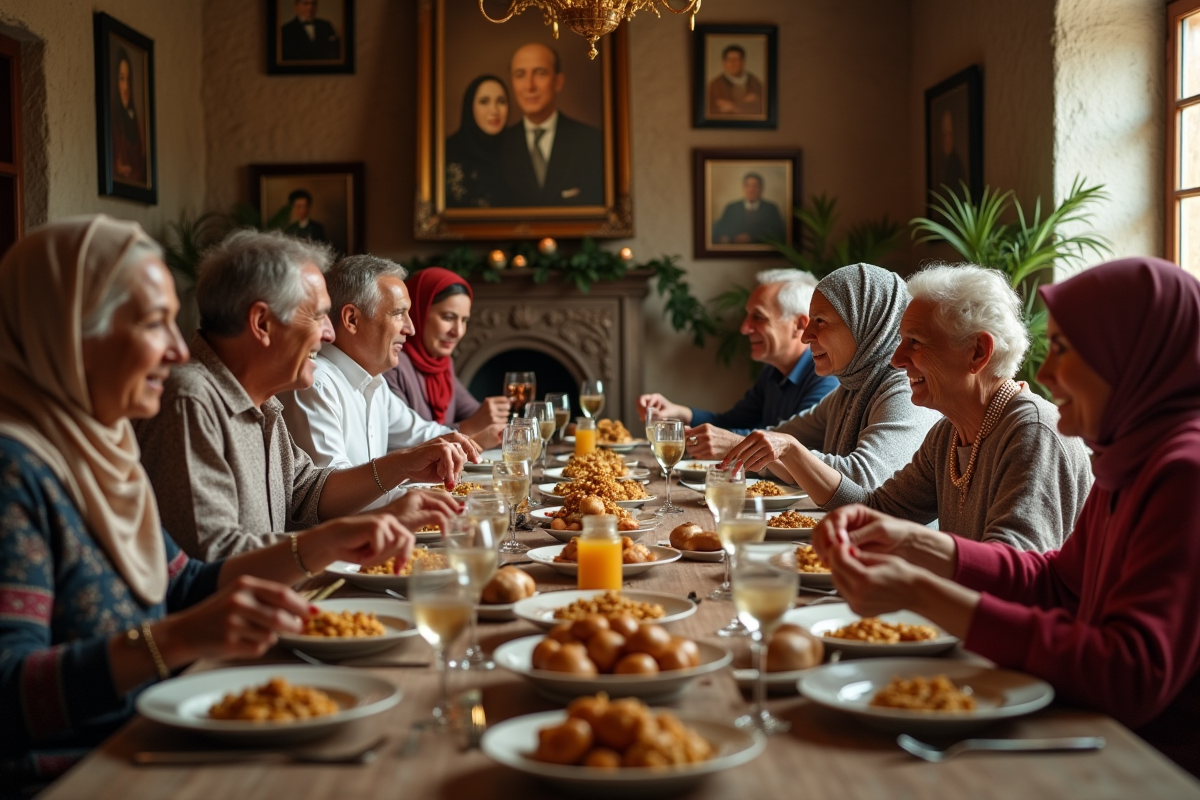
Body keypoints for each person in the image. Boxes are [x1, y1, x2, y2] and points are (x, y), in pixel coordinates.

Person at [0, 217, 443, 790]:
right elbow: (9, 693)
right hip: (87, 771)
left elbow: (184, 583)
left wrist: (327, 542)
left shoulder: (97, 451)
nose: (178, 348)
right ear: (71, 333)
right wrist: (177, 639)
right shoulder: (17, 471)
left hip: (160, 735)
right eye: (154, 323)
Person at [813, 257, 1200, 777]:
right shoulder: (1130, 456)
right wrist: (921, 547)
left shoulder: (1183, 473)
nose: (1044, 372)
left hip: (1142, 763)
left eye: (1064, 349)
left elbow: (1129, 675)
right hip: (1084, 728)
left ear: (1131, 355)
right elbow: (1059, 583)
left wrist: (919, 590)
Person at [135, 230, 475, 560]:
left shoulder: (262, 399)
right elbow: (213, 556)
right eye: (318, 316)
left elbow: (307, 491)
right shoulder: (190, 400)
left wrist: (402, 465)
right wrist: (344, 535)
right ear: (262, 324)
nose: (329, 334)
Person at [824, 264, 1091, 551]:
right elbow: (878, 510)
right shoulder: (947, 435)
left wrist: (917, 547)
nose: (896, 359)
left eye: (915, 342)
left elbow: (1013, 565)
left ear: (978, 351)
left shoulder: (1033, 433)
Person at [282, 257, 499, 507]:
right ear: (352, 319)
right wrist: (413, 483)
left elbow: (422, 436)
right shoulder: (316, 385)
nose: (410, 329)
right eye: (399, 314)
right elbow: (327, 498)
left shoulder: (375, 382)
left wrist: (473, 439)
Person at [712, 263, 941, 499]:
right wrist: (750, 446)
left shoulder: (905, 391)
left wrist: (788, 450)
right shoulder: (849, 389)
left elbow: (864, 478)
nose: (805, 336)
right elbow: (777, 439)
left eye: (820, 321)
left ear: (865, 323)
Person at [638, 269, 838, 434]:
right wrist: (680, 413)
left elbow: (791, 445)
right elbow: (731, 421)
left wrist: (724, 441)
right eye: (747, 316)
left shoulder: (826, 376)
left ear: (799, 325)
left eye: (758, 317)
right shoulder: (772, 372)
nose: (744, 328)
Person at [382, 267, 510, 441]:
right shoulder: (392, 364)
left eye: (464, 320)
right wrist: (470, 426)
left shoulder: (441, 364)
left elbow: (478, 414)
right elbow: (401, 441)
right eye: (448, 317)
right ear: (418, 312)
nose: (457, 332)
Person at [498, 43, 604, 207]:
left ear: (558, 81)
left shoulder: (592, 141)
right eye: (520, 75)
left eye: (540, 73)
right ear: (512, 83)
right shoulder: (497, 145)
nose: (529, 86)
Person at [446, 75, 510, 208]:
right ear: (470, 107)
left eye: (501, 101)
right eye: (484, 101)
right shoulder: (446, 152)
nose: (494, 111)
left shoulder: (521, 149)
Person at [712, 173, 786, 245]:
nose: (751, 190)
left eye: (755, 186)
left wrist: (753, 237)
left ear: (761, 188)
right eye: (748, 186)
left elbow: (779, 233)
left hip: (761, 253)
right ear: (743, 188)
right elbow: (718, 231)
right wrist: (734, 238)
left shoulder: (771, 209)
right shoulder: (731, 208)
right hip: (735, 252)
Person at [111, 47, 146, 186]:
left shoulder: (134, 120)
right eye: (122, 79)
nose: (125, 86)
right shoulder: (114, 121)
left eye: (128, 79)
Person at [707, 44, 764, 116]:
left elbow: (760, 108)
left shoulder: (754, 82)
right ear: (724, 62)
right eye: (730, 60)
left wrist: (735, 107)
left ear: (743, 61)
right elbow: (715, 110)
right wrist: (745, 104)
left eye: (737, 60)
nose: (733, 63)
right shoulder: (715, 85)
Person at [936, 108, 966, 192]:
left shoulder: (957, 164)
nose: (946, 140)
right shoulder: (938, 160)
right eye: (944, 135)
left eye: (949, 135)